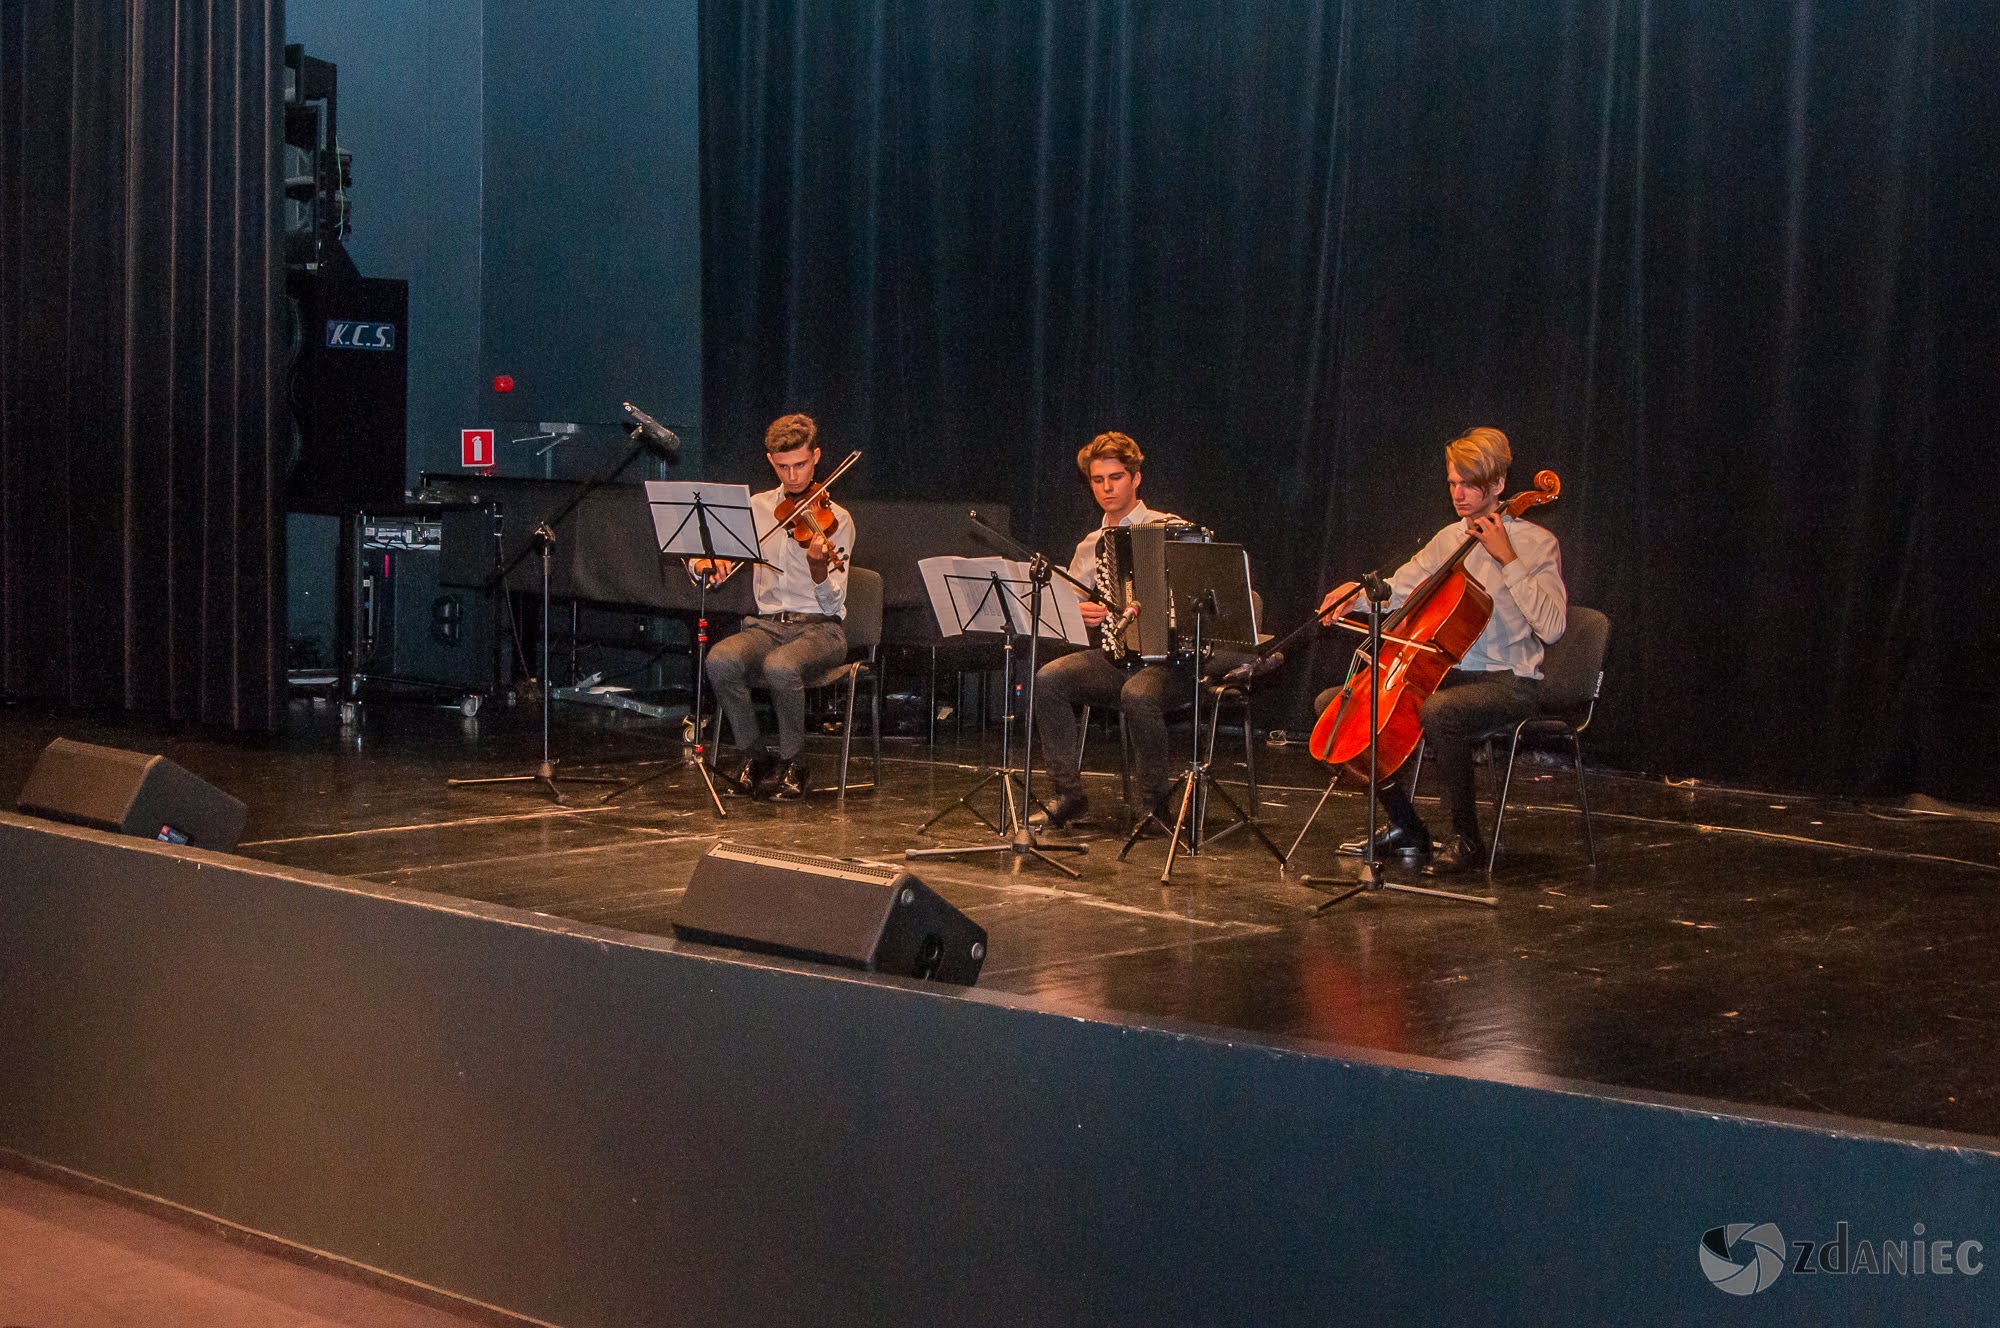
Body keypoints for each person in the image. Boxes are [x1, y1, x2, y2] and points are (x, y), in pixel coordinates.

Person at [1315, 426, 1567, 875]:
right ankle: (1408, 826)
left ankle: (1467, 842)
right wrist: (1354, 594)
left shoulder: (1535, 543)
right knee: (1338, 706)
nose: (1459, 493)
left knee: (1442, 712)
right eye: (1452, 483)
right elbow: (1398, 589)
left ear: (1498, 486)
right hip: (1449, 673)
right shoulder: (1449, 538)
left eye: (1468, 484)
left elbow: (1552, 627)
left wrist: (1507, 559)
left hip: (1509, 680)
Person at [1031, 431, 1192, 830]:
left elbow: (1200, 594)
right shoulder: (1091, 544)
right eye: (1098, 480)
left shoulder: (1169, 527)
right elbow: (1064, 600)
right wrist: (1080, 610)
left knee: (1138, 694)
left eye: (1116, 478)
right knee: (1048, 679)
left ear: (1136, 479)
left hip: (1172, 662)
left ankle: (1156, 808)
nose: (1107, 488)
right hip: (1118, 656)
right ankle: (1069, 795)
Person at [693, 414, 853, 801]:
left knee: (780, 666)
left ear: (816, 456)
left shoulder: (839, 519)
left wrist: (818, 569)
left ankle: (795, 763)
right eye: (783, 467)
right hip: (765, 626)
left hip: (821, 630)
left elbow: (835, 601)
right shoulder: (755, 508)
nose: (794, 476)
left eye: (800, 464)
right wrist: (705, 562)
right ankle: (755, 757)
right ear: (770, 461)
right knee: (720, 659)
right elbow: (704, 553)